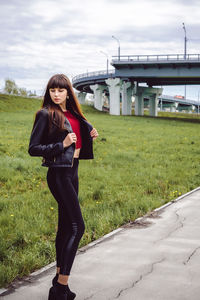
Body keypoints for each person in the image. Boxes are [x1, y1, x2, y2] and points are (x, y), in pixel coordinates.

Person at [28, 74, 98, 300]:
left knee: (67, 226)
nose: (56, 94)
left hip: (73, 172)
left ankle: (60, 283)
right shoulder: (45, 114)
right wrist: (62, 144)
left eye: (60, 90)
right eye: (52, 90)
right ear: (49, 93)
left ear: (68, 92)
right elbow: (34, 148)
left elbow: (77, 140)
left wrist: (89, 136)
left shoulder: (74, 114)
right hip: (59, 174)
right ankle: (60, 287)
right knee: (79, 227)